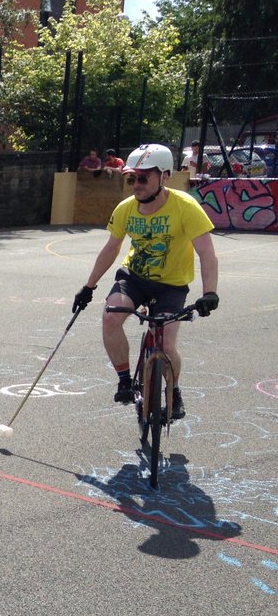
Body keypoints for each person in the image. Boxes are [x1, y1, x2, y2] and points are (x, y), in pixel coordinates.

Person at [71, 144, 219, 421]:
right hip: (134, 278)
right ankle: (125, 380)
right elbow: (111, 248)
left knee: (166, 346)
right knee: (110, 317)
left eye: (143, 178)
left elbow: (207, 253)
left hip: (172, 285)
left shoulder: (186, 207)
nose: (135, 185)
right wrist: (89, 286)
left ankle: (173, 391)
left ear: (163, 176)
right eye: (131, 179)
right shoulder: (126, 208)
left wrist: (210, 292)